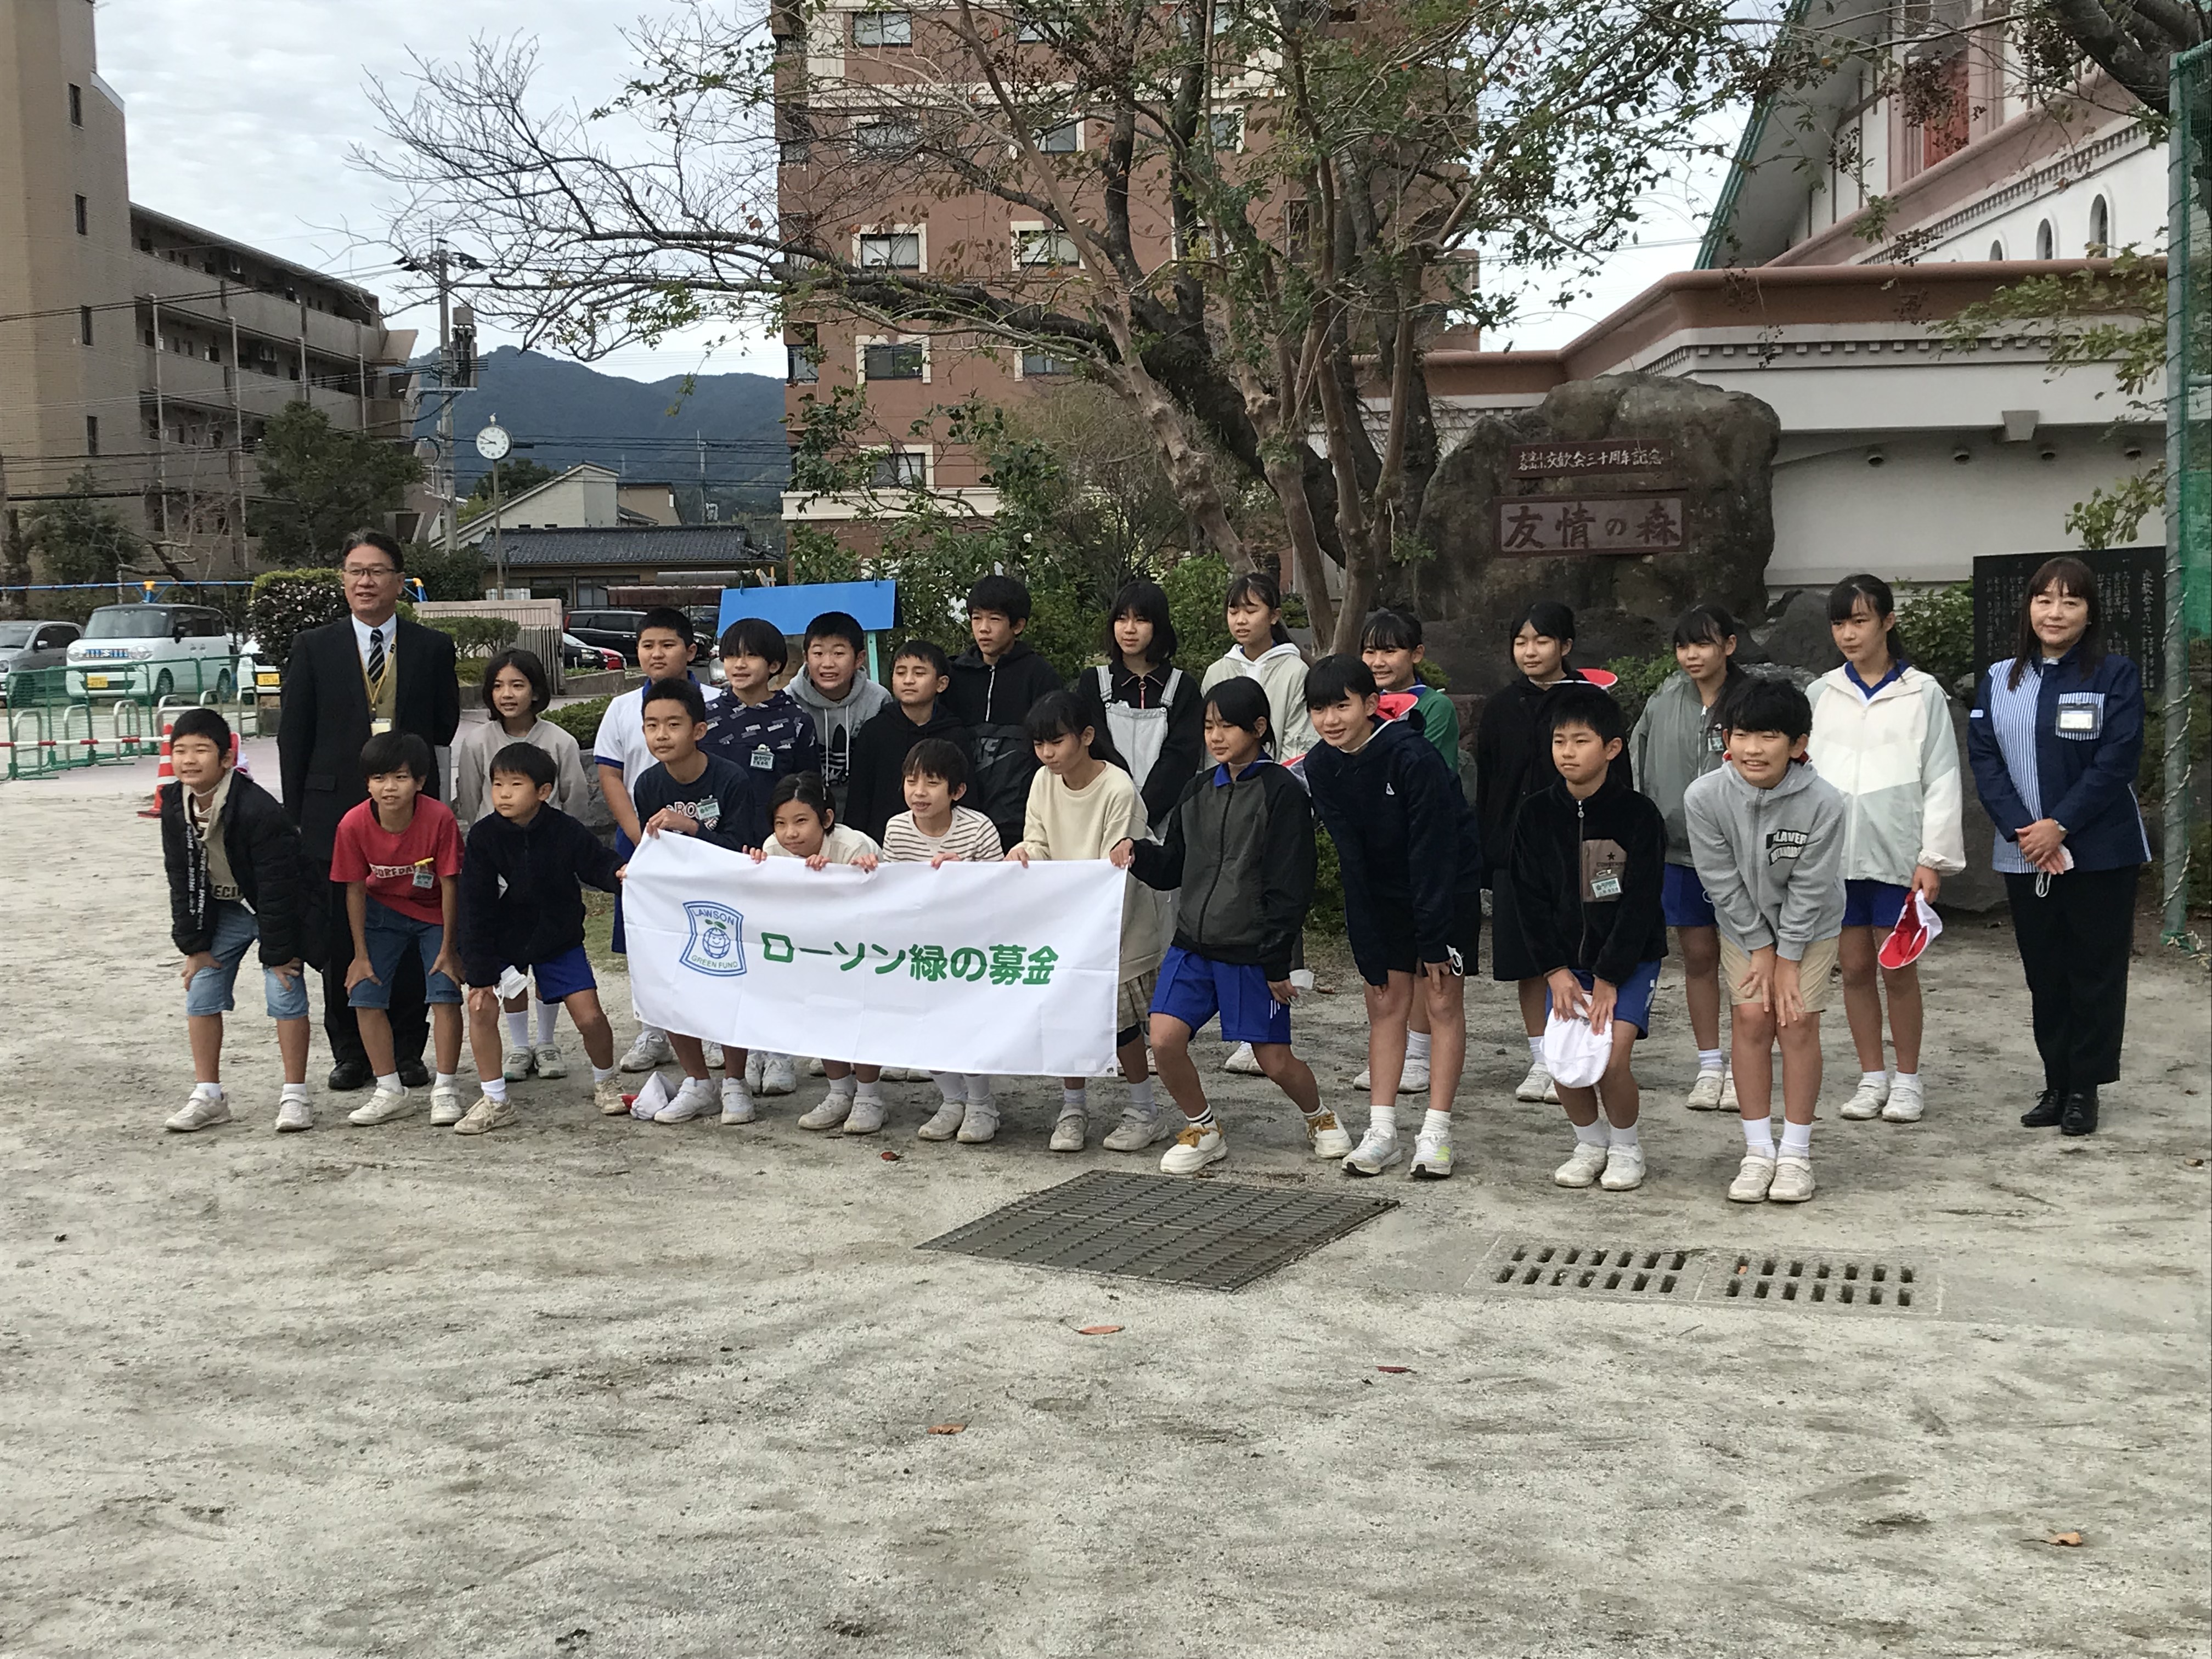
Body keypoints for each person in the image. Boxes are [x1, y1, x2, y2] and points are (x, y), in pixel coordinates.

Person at [1114, 677, 1345, 1173]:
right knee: (1164, 1038)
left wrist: (1277, 958)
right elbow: (1175, 865)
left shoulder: (1282, 792)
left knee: (1275, 1061)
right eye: (1208, 726)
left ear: (1259, 728)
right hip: (1191, 945)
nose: (1215, 737)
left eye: (1227, 726)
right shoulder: (1197, 789)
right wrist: (1138, 854)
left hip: (1251, 950)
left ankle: (1319, 1115)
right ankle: (1203, 1127)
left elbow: (1291, 883)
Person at [1968, 555, 2151, 1138]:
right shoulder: (2000, 678)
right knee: (2045, 972)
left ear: (2089, 612)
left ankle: (2085, 1088)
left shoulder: (2113, 675)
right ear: (2029, 608)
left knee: (2094, 970)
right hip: (2025, 851)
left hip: (2100, 852)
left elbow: (2117, 758)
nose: (2055, 612)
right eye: (2045, 599)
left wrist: (2061, 825)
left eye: (2070, 601)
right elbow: (1986, 759)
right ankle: (2054, 1080)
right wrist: (2027, 829)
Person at [278, 528, 459, 1093]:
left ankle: (407, 1048)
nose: (366, 581)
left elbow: (445, 724)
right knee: (343, 935)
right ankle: (350, 1052)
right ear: (343, 579)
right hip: (335, 811)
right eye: (355, 570)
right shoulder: (314, 646)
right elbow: (293, 737)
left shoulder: (431, 648)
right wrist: (299, 817)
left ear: (399, 582)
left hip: (412, 815)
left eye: (377, 571)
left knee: (410, 926)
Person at [1303, 655, 1482, 1180]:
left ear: (1371, 704)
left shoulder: (1412, 756)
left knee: (1443, 1000)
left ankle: (1437, 1132)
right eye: (1319, 708)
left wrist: (1433, 941)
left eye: (1342, 705)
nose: (1332, 719)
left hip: (1443, 888)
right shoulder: (1321, 765)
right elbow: (1350, 857)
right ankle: (1382, 1131)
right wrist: (1366, 938)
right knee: (1384, 1004)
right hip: (1379, 895)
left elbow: (1435, 850)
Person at [1808, 574, 1967, 1127]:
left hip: (1899, 856)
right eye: (1840, 623)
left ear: (1888, 622)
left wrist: (1933, 858)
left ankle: (1907, 1079)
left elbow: (1943, 779)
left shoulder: (1922, 693)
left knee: (1897, 968)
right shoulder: (1821, 693)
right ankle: (1871, 1075)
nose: (1849, 634)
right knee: (1851, 968)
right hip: (1835, 859)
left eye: (1860, 621)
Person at [1684, 679, 1846, 1205]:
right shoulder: (1705, 796)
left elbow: (1812, 886)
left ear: (1798, 744)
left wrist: (1789, 957)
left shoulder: (1826, 803)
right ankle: (1758, 1152)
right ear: (1726, 739)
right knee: (1752, 1019)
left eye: (1769, 736)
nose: (1753, 749)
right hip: (1743, 923)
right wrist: (1760, 946)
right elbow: (1720, 879)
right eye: (1742, 735)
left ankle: (1796, 1153)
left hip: (1812, 926)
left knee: (1796, 1022)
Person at [1510, 684, 1669, 1193]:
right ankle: (1589, 1143)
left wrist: (1608, 976)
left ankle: (1626, 1147)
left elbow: (1641, 904)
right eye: (1560, 741)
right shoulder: (1535, 814)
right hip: (1564, 964)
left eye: (1581, 741)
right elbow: (1528, 899)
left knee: (1612, 1058)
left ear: (1612, 748)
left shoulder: (1639, 816)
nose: (1568, 753)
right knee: (1563, 1058)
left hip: (1628, 959)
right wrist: (1555, 971)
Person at [1472, 600, 1632, 1104]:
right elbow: (1490, 784)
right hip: (1519, 852)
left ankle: (1588, 1047)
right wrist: (1490, 851)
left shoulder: (1591, 703)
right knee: (1530, 959)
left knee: (1585, 950)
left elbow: (1621, 782)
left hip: (1586, 851)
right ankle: (1544, 1058)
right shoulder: (1500, 707)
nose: (1530, 651)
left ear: (1565, 646)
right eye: (1521, 642)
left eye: (1542, 641)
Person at [1006, 690, 1165, 1153]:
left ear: (1087, 737)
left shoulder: (1117, 788)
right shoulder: (1043, 781)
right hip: (1062, 918)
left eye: (1056, 742)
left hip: (1117, 919)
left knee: (1120, 1023)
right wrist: (1025, 853)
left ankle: (1143, 1109)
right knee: (1064, 1015)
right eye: (1039, 744)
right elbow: (1037, 839)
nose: (1047, 754)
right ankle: (1072, 1106)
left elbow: (1119, 856)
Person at [455, 743, 629, 1133]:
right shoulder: (483, 838)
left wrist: (619, 874)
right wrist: (479, 971)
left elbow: (596, 863)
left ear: (543, 791)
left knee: (590, 1016)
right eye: (497, 784)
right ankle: (496, 1100)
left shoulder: (565, 830)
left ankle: (606, 1081)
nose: (503, 793)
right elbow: (475, 906)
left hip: (558, 936)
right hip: (502, 941)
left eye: (515, 784)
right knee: (480, 1006)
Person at [452, 646, 603, 1085]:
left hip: (548, 863)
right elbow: (471, 797)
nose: (508, 694)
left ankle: (547, 1042)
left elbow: (575, 798)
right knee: (510, 960)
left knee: (550, 952)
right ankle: (519, 1046)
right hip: (497, 865)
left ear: (536, 690)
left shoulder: (560, 741)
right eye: (498, 685)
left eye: (518, 684)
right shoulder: (477, 742)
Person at [160, 708, 312, 1133]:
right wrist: (193, 945)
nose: (189, 760)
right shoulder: (175, 801)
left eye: (202, 751)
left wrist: (280, 951)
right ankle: (209, 1095)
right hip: (221, 910)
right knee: (201, 990)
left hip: (268, 907)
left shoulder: (258, 809)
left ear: (227, 759)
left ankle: (296, 1095)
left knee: (284, 989)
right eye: (181, 751)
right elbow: (180, 875)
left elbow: (281, 886)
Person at [593, 607, 722, 1077]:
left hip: (702, 841)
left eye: (667, 644)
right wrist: (637, 834)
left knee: (705, 934)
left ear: (690, 651)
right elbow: (610, 773)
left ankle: (710, 1028)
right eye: (647, 645)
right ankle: (653, 1028)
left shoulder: (714, 701)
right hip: (644, 839)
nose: (656, 654)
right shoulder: (622, 707)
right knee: (647, 940)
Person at [1628, 604, 1747, 1111]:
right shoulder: (1664, 699)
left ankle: (1746, 1066)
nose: (1692, 655)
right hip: (1678, 852)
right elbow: (1637, 759)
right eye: (1683, 645)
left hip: (1742, 856)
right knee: (1698, 959)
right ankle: (1709, 1065)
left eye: (1703, 643)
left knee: (1746, 963)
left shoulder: (1750, 701)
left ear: (1730, 646)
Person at [627, 676, 757, 1127]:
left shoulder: (731, 778)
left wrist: (694, 827)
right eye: (651, 725)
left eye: (673, 725)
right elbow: (653, 848)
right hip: (673, 907)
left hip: (725, 903)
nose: (661, 735)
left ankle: (736, 1082)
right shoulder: (647, 785)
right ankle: (697, 1082)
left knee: (727, 991)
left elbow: (743, 848)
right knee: (671, 991)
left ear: (699, 730)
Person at [331, 732, 466, 1128]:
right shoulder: (353, 824)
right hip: (382, 911)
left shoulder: (438, 818)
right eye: (379, 778)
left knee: (444, 989)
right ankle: (389, 1089)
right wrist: (360, 954)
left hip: (433, 913)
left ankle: (446, 1087)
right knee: (365, 991)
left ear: (420, 782)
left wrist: (449, 946)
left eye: (401, 778)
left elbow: (449, 883)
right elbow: (353, 889)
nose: (389, 788)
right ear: (367, 782)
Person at [1352, 606, 1462, 1094]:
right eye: (1370, 650)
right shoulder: (1357, 702)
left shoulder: (1433, 707)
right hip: (1380, 846)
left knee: (1427, 957)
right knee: (1391, 957)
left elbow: (1424, 772)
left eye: (1390, 650)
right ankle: (1398, 1052)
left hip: (1425, 837)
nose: (1378, 659)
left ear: (1416, 654)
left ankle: (1420, 1051)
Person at [880, 737, 1005, 1142]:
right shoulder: (897, 829)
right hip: (919, 949)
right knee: (924, 1027)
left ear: (957, 791)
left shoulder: (978, 828)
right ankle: (952, 1099)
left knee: (967, 1027)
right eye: (911, 781)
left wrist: (963, 875)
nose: (919, 792)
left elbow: (1003, 889)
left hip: (970, 949)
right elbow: (889, 889)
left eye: (932, 783)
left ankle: (982, 1103)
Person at [751, 772, 891, 1133]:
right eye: (781, 824)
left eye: (801, 821)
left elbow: (877, 899)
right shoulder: (774, 849)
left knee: (861, 1016)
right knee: (823, 1013)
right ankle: (839, 1092)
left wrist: (837, 878)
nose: (790, 834)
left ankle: (869, 1095)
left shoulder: (852, 846)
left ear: (826, 819)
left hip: (862, 948)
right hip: (813, 949)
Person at [947, 574, 1064, 849]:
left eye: (995, 619)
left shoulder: (1040, 675)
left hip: (1021, 817)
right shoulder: (954, 675)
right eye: (977, 618)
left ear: (1018, 625)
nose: (983, 629)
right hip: (961, 817)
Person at [701, 616, 822, 852]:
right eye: (732, 656)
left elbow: (810, 790)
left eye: (751, 656)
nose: (739, 664)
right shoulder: (704, 717)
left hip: (776, 847)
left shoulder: (796, 721)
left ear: (774, 665)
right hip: (713, 845)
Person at [846, 637, 970, 845]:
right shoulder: (875, 731)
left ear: (942, 683)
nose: (909, 680)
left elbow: (966, 797)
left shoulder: (955, 733)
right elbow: (859, 798)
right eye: (901, 672)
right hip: (882, 845)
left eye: (919, 673)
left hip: (944, 846)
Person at [1201, 569, 1317, 762]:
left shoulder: (1295, 671)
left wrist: (1280, 785)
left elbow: (1299, 742)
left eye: (1251, 611)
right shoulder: (1217, 672)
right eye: (1234, 612)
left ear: (1274, 616)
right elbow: (1211, 747)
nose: (1241, 620)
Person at [789, 609, 891, 820]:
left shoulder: (878, 700)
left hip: (864, 810)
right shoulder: (789, 702)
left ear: (859, 658)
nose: (828, 663)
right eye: (818, 653)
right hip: (806, 814)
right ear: (806, 658)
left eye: (838, 653)